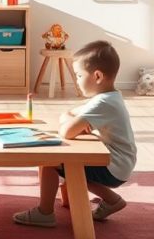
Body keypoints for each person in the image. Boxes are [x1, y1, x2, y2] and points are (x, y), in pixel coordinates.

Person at [13, 40, 137, 227]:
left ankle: (45, 212)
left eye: (79, 75)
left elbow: (66, 131)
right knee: (72, 165)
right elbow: (68, 114)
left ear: (97, 76)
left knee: (50, 161)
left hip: (114, 165)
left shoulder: (102, 103)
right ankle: (112, 200)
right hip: (120, 162)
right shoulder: (109, 97)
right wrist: (75, 122)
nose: (76, 81)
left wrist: (73, 124)